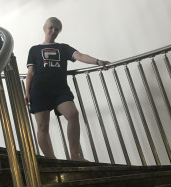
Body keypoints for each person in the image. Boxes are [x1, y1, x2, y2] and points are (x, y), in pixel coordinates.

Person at [24, 17, 109, 161]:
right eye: (51, 28)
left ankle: (75, 155)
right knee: (43, 126)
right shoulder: (34, 49)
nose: (53, 31)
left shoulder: (63, 48)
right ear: (44, 29)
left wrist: (97, 61)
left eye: (56, 29)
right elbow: (30, 72)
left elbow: (80, 56)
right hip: (39, 90)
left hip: (60, 90)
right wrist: (27, 92)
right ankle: (53, 160)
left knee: (73, 114)